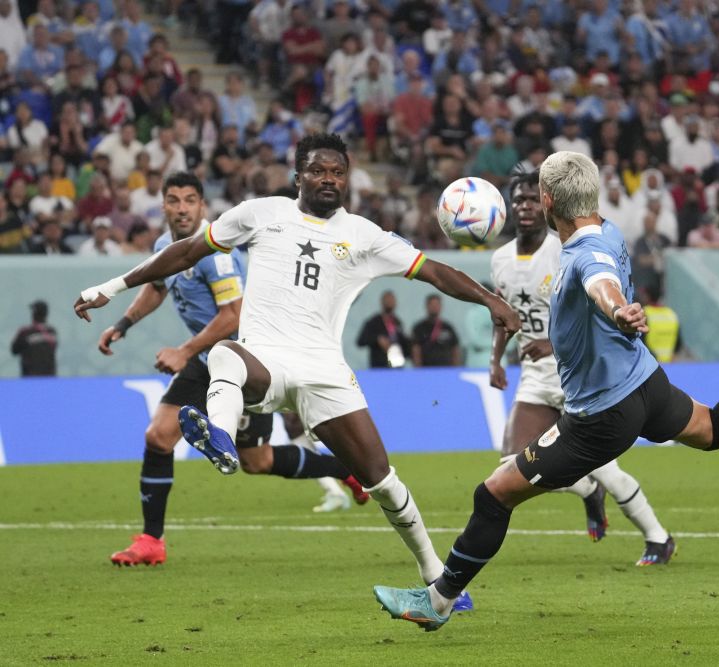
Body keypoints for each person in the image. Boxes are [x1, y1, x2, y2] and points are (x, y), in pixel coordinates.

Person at [373, 151, 719, 631]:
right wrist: (615, 310)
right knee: (711, 429)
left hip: (600, 414)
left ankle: (438, 601)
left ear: (547, 201)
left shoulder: (582, 254)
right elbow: (602, 272)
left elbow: (600, 283)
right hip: (646, 382)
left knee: (493, 494)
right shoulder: (606, 230)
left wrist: (618, 310)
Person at [74, 134, 519, 600]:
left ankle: (439, 581)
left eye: (337, 172)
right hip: (265, 362)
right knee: (224, 352)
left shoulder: (365, 235)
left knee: (383, 482)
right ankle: (220, 435)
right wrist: (111, 287)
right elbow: (185, 252)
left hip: (325, 374)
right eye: (318, 171)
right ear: (298, 176)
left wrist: (490, 300)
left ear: (347, 179)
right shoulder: (259, 213)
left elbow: (435, 271)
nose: (328, 179)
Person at [90, 172, 368, 567]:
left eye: (190, 200)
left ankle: (345, 468)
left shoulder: (216, 254)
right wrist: (123, 324)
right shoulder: (165, 246)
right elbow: (156, 287)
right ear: (163, 205)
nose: (182, 208)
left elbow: (232, 314)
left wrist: (184, 350)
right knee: (158, 437)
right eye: (174, 200)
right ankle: (152, 540)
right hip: (204, 358)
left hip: (243, 360)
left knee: (257, 461)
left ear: (202, 205)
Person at [490, 171, 673, 564]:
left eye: (531, 198)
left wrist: (552, 342)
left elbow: (590, 306)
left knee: (607, 469)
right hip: (534, 376)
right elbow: (501, 313)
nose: (525, 206)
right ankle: (586, 490)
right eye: (517, 199)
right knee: (510, 464)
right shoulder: (499, 259)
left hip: (578, 371)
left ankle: (658, 537)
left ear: (545, 203)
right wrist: (495, 359)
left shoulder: (563, 249)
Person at [356, 290, 410, 368]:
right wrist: (377, 339)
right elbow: (360, 341)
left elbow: (405, 346)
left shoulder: (398, 322)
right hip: (379, 367)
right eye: (387, 300)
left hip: (397, 367)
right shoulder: (373, 322)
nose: (389, 302)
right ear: (382, 302)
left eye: (392, 300)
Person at [411, 294, 461, 367]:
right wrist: (418, 370)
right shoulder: (419, 328)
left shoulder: (448, 328)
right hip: (426, 369)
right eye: (432, 305)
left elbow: (455, 349)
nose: (434, 307)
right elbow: (416, 349)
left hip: (446, 369)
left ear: (441, 307)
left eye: (437, 304)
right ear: (427, 306)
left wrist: (456, 369)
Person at [10, 300, 57, 376]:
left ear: (34, 314)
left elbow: (14, 350)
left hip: (31, 378)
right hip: (48, 378)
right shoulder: (51, 332)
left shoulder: (25, 332)